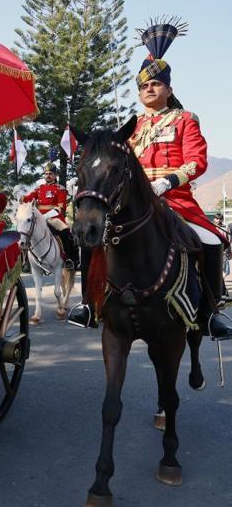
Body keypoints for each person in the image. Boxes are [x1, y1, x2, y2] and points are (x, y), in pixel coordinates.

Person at [69, 18, 232, 339]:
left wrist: (168, 182)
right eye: (143, 86)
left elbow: (197, 161)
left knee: (211, 241)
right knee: (93, 236)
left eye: (155, 84)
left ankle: (213, 312)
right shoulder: (132, 127)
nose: (149, 89)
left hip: (175, 200)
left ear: (169, 88)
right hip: (134, 200)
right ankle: (88, 303)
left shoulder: (185, 120)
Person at [22, 163, 76, 269]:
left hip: (54, 218)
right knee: (25, 233)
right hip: (39, 218)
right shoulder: (39, 189)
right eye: (46, 173)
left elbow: (59, 208)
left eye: (50, 173)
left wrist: (42, 210)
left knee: (66, 234)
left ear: (55, 175)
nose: (47, 176)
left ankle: (69, 259)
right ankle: (26, 261)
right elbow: (28, 198)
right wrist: (21, 197)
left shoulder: (60, 189)